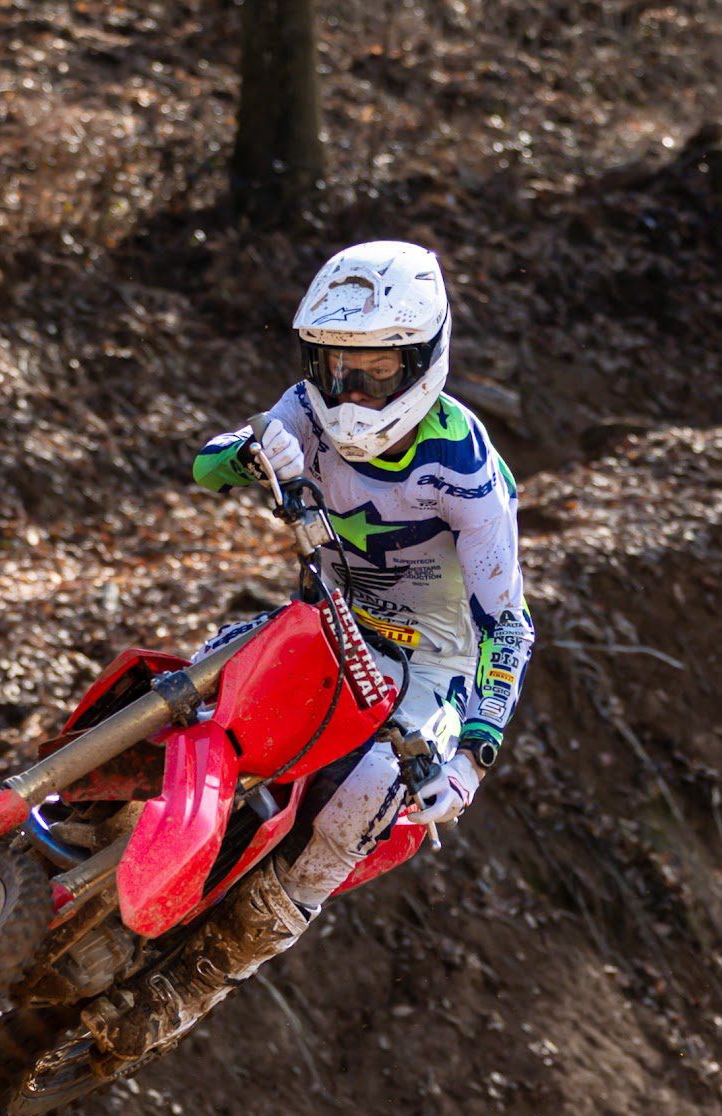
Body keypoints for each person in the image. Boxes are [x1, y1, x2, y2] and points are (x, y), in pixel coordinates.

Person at [90, 239, 535, 1063]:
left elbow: (507, 624)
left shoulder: (469, 473)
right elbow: (207, 465)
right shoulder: (304, 406)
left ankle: (198, 985)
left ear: (423, 361)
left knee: (363, 797)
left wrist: (474, 757)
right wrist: (253, 452)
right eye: (338, 367)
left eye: (377, 371)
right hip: (325, 621)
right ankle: (78, 811)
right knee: (191, 682)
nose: (352, 392)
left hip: (432, 663)